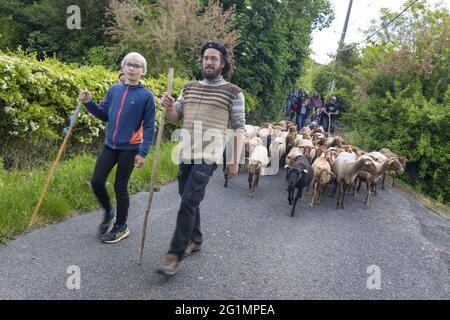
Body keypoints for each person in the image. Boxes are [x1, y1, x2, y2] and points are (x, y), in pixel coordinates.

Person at [158, 41, 245, 276]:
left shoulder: (234, 92)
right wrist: (167, 106)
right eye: (206, 58)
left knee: (187, 202)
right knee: (187, 198)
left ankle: (174, 254)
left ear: (223, 63)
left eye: (214, 58)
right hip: (185, 152)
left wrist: (234, 160)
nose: (209, 62)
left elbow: (239, 128)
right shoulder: (189, 87)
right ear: (202, 61)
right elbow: (175, 117)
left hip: (208, 155)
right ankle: (195, 238)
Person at [78, 52, 156, 243]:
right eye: (128, 64)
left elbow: (149, 127)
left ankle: (121, 226)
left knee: (120, 186)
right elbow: (104, 114)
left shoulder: (146, 96)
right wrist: (89, 103)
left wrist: (143, 152)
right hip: (110, 145)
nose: (132, 68)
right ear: (122, 67)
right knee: (96, 181)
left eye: (137, 66)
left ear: (143, 71)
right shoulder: (114, 90)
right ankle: (109, 211)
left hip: (130, 148)